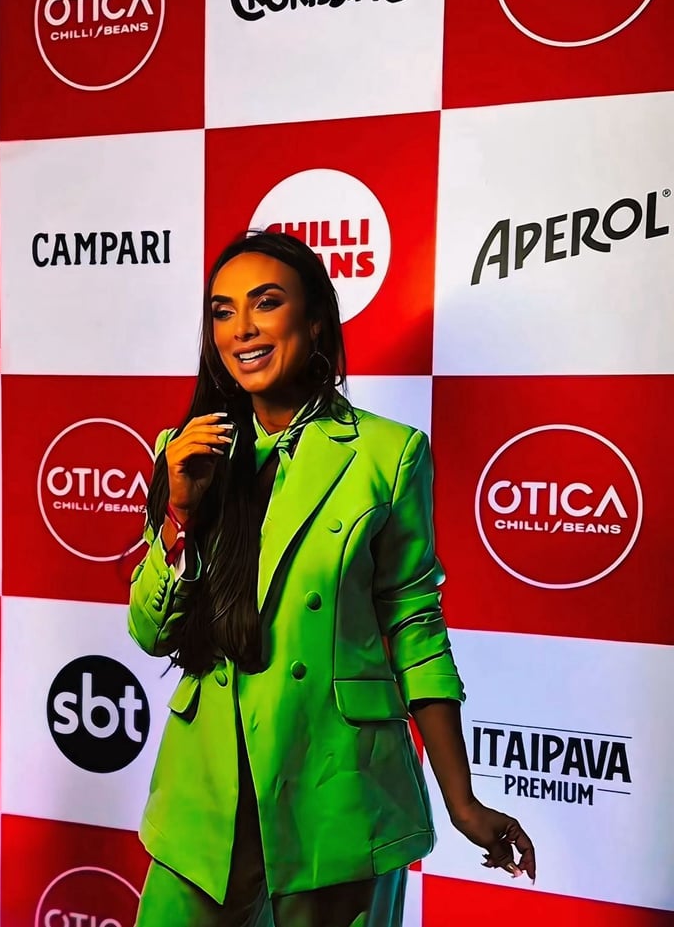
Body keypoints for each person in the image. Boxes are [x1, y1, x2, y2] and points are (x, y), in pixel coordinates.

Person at [128, 230, 535, 927]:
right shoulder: (184, 449)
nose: (241, 328)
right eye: (223, 310)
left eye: (266, 303)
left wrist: (461, 799)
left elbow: (415, 628)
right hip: (206, 796)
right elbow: (150, 632)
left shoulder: (388, 454)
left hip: (338, 787)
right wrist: (180, 517)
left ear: (315, 320)